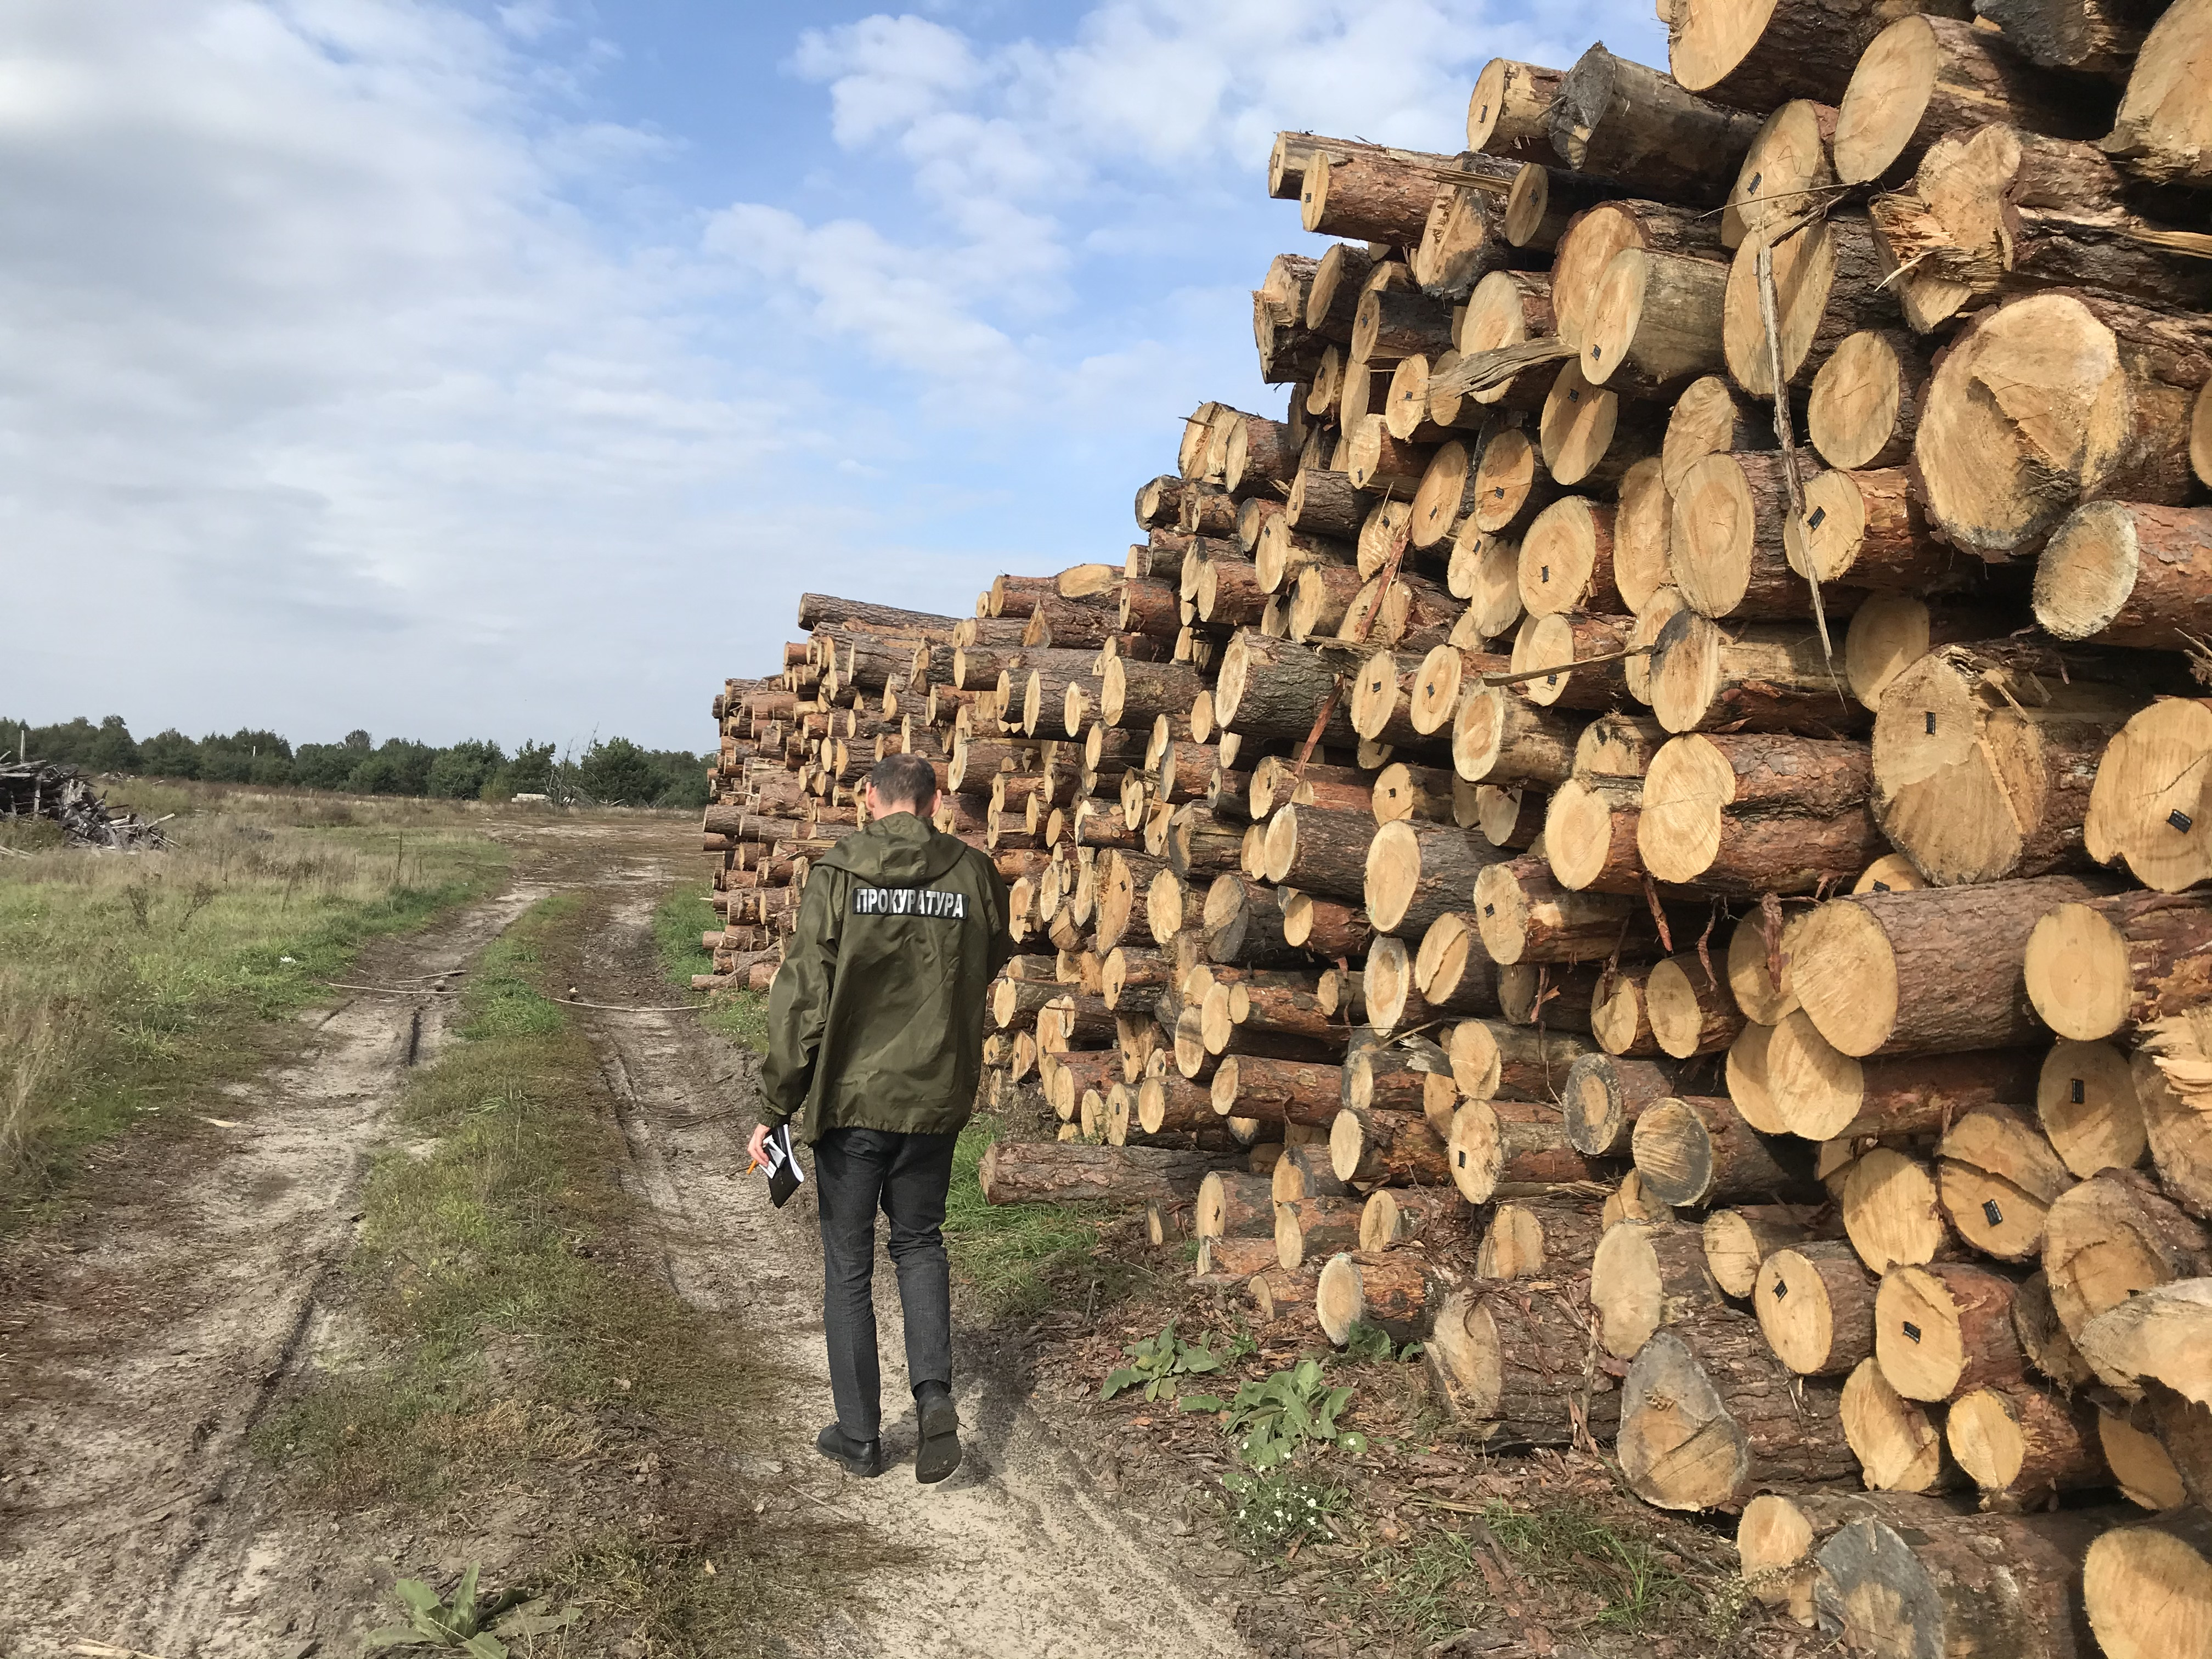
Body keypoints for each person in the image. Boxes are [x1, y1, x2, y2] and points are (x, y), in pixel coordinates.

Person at [751, 751, 1012, 1482]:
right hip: (933, 1096)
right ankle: (933, 1398)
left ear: (869, 798)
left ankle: (860, 1436)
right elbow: (991, 955)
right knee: (920, 1243)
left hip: (852, 1102)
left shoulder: (838, 874)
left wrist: (775, 1104)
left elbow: (803, 995)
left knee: (848, 1265)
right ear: (936, 801)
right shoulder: (975, 874)